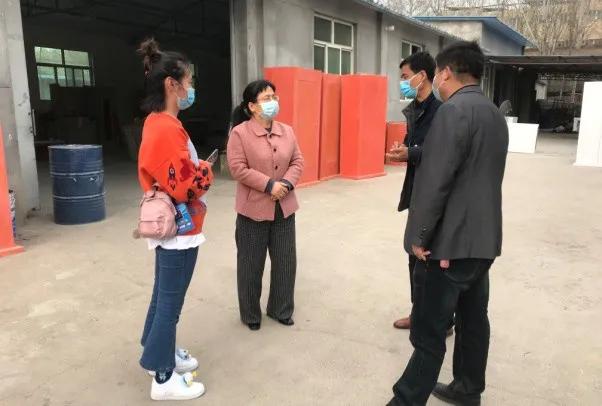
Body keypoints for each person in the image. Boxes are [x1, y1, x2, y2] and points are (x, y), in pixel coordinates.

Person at [387, 41, 509, 406]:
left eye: (439, 73)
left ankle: (406, 400)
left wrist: (419, 237)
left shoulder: (452, 111)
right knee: (473, 321)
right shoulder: (493, 113)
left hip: (450, 245)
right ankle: (468, 390)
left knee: (429, 330)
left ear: (445, 72)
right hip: (484, 242)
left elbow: (435, 182)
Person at [136, 38, 213, 401]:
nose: (190, 88)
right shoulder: (166, 127)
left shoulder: (158, 122)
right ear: (172, 84)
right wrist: (206, 171)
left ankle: (155, 352)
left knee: (163, 296)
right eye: (188, 81)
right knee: (170, 302)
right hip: (179, 228)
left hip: (173, 225)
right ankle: (163, 378)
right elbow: (186, 186)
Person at [227, 80, 304, 331]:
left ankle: (281, 309)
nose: (273, 102)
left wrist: (286, 184)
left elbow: (297, 161)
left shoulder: (287, 131)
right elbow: (237, 168)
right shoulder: (240, 133)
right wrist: (269, 185)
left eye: (274, 97)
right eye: (266, 98)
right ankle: (250, 314)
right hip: (253, 210)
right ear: (252, 106)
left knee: (285, 261)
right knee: (250, 264)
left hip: (284, 207)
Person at [386, 51, 443, 331]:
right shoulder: (415, 110)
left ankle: (441, 319)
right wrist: (404, 150)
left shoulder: (442, 112)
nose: (403, 82)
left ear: (422, 76)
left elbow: (442, 153)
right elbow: (414, 144)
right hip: (416, 190)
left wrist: (413, 153)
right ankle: (419, 312)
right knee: (414, 253)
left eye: (405, 77)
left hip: (434, 193)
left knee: (430, 255)